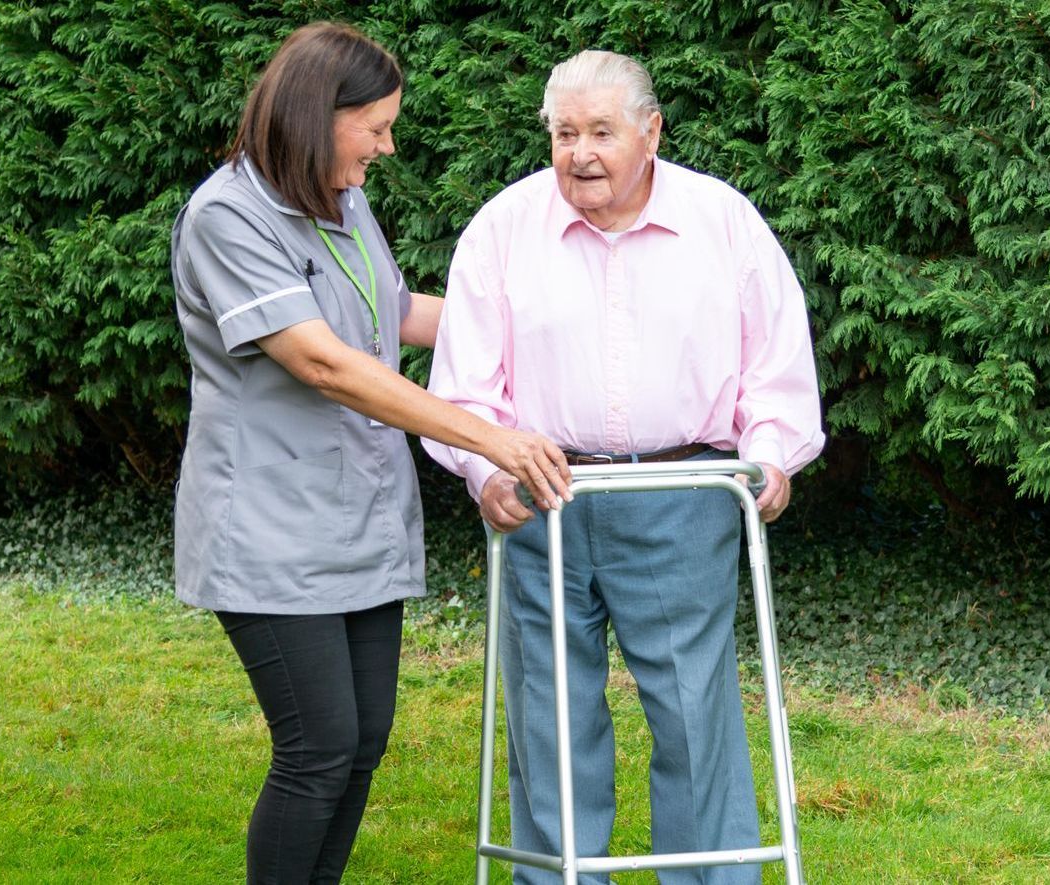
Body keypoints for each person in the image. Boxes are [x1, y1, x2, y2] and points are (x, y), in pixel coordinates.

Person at [169, 22, 572, 884]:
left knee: (360, 744)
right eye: (376, 127)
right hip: (271, 531)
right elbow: (324, 362)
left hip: (359, 521)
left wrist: (548, 329)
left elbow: (396, 315)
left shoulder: (340, 202)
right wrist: (488, 435)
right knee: (316, 749)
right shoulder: (226, 217)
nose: (387, 147)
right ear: (321, 116)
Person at [423, 50, 824, 884]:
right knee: (549, 718)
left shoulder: (722, 221)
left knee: (692, 713)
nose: (581, 153)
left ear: (651, 133)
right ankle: (559, 876)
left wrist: (771, 457)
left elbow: (776, 363)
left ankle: (711, 876)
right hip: (540, 495)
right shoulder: (503, 227)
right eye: (565, 133)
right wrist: (484, 470)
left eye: (602, 132)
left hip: (682, 495)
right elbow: (464, 384)